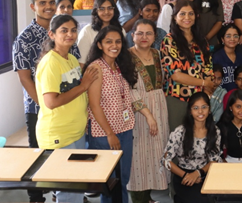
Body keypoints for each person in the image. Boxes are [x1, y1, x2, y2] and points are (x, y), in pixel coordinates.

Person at [13, 0, 82, 203]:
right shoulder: (24, 38)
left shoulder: (65, 29)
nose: (48, 6)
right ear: (33, 7)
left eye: (52, 2)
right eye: (42, 3)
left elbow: (76, 65)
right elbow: (25, 78)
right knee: (39, 157)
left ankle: (60, 194)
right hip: (39, 108)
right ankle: (37, 197)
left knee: (62, 165)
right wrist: (44, 104)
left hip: (65, 109)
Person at [35, 14, 99, 203]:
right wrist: (84, 86)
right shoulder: (50, 62)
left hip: (75, 132)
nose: (70, 34)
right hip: (59, 134)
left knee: (76, 185)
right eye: (64, 30)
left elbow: (76, 92)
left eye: (73, 30)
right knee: (68, 190)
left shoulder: (70, 58)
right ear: (52, 34)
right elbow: (51, 102)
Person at [85, 26, 138, 203]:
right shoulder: (96, 68)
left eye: (118, 41)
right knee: (109, 182)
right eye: (109, 41)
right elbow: (94, 105)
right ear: (100, 45)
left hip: (125, 129)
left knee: (123, 178)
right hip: (104, 133)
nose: (114, 45)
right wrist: (110, 133)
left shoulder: (120, 66)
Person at [127, 19, 170, 203]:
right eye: (140, 33)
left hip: (159, 107)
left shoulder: (158, 54)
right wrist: (148, 115)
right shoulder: (126, 57)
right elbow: (129, 89)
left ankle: (149, 196)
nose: (144, 37)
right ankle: (138, 198)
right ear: (132, 35)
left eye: (148, 33)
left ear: (155, 36)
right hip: (138, 111)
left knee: (156, 152)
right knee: (138, 155)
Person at [161, 0, 213, 130]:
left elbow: (208, 68)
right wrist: (204, 83)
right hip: (177, 98)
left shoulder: (201, 40)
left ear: (196, 16)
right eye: (182, 14)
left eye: (191, 13)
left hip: (199, 100)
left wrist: (206, 92)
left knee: (198, 137)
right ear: (175, 17)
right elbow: (176, 75)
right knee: (177, 136)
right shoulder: (169, 40)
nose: (187, 17)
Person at [162, 92, 222, 203]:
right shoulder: (180, 131)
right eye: (196, 108)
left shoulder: (215, 131)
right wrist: (187, 175)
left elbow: (214, 160)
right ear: (190, 111)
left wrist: (197, 173)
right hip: (183, 176)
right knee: (202, 200)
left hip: (204, 174)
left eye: (204, 107)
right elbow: (165, 160)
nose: (200, 111)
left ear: (209, 110)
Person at [77, 0, 123, 65]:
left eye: (110, 8)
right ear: (96, 11)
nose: (106, 12)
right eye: (102, 9)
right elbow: (81, 62)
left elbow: (123, 55)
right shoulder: (87, 31)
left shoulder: (120, 30)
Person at [212, 23, 242, 91]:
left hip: (238, 95)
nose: (232, 39)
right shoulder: (216, 57)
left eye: (235, 36)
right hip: (220, 95)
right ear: (222, 39)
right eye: (228, 36)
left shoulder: (241, 57)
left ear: (239, 39)